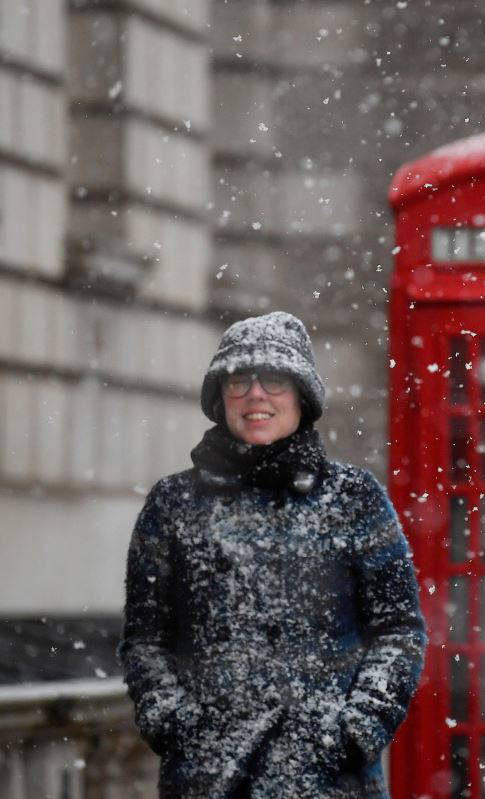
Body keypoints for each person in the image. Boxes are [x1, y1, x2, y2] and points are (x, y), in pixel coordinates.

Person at [119, 311, 427, 799]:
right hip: (209, 779)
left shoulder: (354, 497)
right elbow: (145, 639)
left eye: (275, 379)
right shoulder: (173, 504)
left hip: (328, 779)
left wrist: (356, 729)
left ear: (302, 396)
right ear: (220, 398)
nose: (255, 394)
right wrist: (175, 725)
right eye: (239, 380)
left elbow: (398, 630)